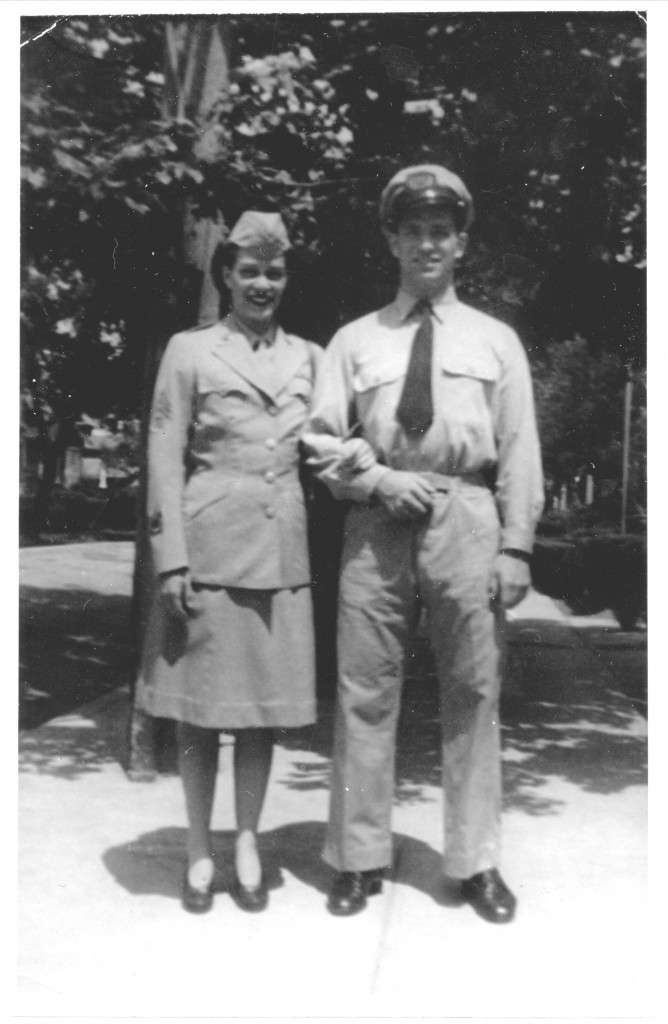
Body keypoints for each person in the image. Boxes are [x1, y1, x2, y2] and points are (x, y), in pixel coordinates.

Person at [303, 165, 544, 923]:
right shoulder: (354, 340)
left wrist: (516, 547)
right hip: (378, 520)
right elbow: (317, 438)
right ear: (392, 240)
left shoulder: (495, 341)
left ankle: (475, 862)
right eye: (412, 230)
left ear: (461, 242)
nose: (427, 243)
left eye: (440, 231)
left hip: (466, 514)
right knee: (364, 691)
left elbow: (520, 447)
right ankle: (358, 857)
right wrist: (375, 480)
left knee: (474, 690)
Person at [137, 211, 368, 914]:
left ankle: (247, 841)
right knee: (200, 715)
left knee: (262, 714)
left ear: (285, 278)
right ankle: (201, 850)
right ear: (228, 276)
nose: (263, 283)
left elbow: (331, 441)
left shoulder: (311, 357)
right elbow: (163, 457)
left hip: (280, 554)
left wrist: (360, 459)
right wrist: (169, 560)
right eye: (249, 271)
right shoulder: (189, 350)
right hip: (206, 551)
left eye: (275, 271)